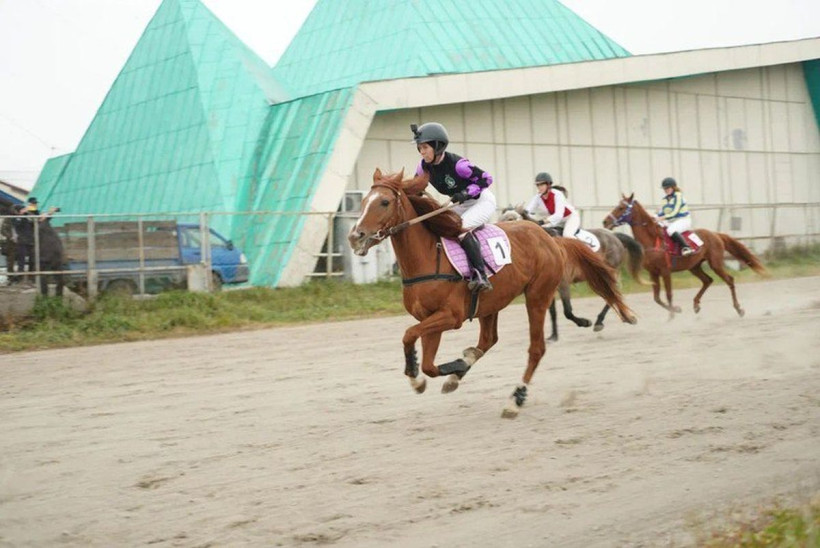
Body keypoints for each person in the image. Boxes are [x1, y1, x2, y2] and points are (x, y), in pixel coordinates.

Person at [411, 122, 496, 292]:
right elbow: (415, 188)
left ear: (438, 146)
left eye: (425, 147)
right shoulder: (423, 167)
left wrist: (466, 193)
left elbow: (487, 179)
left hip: (481, 201)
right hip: (460, 204)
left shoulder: (459, 165)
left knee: (461, 228)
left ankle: (481, 275)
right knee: (438, 224)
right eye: (419, 148)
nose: (422, 152)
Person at [524, 172, 581, 239]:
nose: (539, 187)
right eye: (538, 185)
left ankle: (580, 245)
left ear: (548, 184)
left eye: (542, 184)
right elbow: (528, 210)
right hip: (558, 221)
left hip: (570, 218)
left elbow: (558, 215)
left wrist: (542, 221)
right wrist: (522, 214)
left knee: (567, 235)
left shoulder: (557, 194)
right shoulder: (537, 197)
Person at [657, 177, 693, 256]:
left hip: (683, 220)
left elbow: (674, 213)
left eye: (668, 188)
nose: (666, 190)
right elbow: (661, 213)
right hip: (671, 221)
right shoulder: (664, 199)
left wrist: (663, 218)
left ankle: (686, 247)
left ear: (673, 187)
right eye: (664, 188)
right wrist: (654, 217)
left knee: (671, 230)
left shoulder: (678, 196)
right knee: (658, 227)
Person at [1, 204, 19, 282]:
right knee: (10, 260)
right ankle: (10, 276)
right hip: (10, 243)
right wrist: (10, 237)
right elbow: (3, 230)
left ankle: (18, 276)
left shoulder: (20, 218)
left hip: (20, 241)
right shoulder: (8, 219)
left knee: (19, 260)